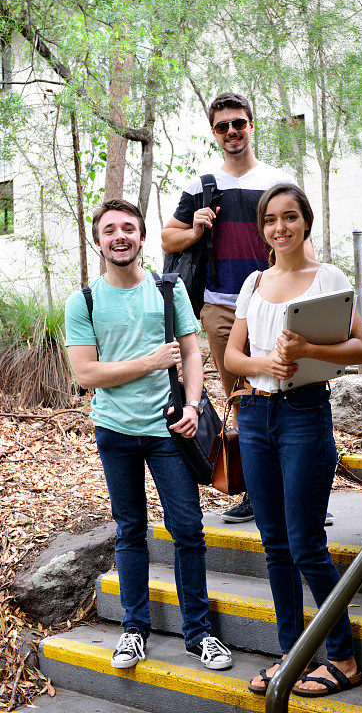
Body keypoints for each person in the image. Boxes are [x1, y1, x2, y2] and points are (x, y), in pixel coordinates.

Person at [65, 199, 232, 672]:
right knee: (130, 529)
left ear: (141, 237)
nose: (120, 236)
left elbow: (192, 353)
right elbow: (87, 374)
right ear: (98, 240)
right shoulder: (85, 302)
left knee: (188, 531)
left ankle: (199, 634)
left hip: (168, 430)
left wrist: (195, 406)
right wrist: (149, 364)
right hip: (115, 431)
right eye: (110, 229)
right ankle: (134, 629)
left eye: (129, 229)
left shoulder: (168, 288)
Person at [224, 183, 362, 697]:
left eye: (290, 217)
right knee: (275, 545)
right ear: (262, 228)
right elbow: (232, 358)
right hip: (258, 416)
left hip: (305, 416)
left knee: (306, 542)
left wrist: (310, 348)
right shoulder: (254, 282)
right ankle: (291, 653)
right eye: (270, 219)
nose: (280, 227)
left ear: (305, 222)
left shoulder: (327, 278)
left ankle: (343, 657)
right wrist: (263, 364)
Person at [161, 91, 322, 526]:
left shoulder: (276, 181)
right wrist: (194, 229)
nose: (232, 132)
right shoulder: (202, 185)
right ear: (214, 133)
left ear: (251, 124)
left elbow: (301, 236)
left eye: (239, 123)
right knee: (245, 400)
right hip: (222, 307)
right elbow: (167, 239)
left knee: (295, 393)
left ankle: (304, 495)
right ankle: (257, 492)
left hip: (277, 303)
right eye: (222, 126)